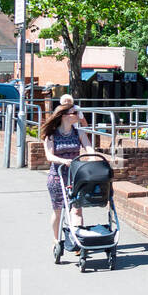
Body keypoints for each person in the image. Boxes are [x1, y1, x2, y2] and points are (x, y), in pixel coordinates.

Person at [40, 102, 94, 246]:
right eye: (75, 113)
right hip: (57, 177)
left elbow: (89, 148)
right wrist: (63, 161)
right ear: (64, 116)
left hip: (75, 176)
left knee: (77, 210)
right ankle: (56, 239)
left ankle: (78, 241)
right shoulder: (51, 135)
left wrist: (93, 158)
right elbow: (49, 156)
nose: (78, 116)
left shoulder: (79, 132)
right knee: (58, 211)